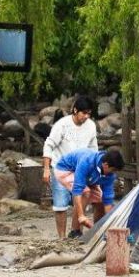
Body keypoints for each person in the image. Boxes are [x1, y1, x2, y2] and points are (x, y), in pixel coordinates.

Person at [42, 97, 98, 239]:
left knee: (83, 195)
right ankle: (61, 237)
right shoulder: (62, 125)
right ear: (75, 110)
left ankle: (75, 230)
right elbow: (49, 144)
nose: (86, 116)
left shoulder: (91, 126)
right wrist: (46, 169)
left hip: (80, 168)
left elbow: (93, 148)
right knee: (60, 204)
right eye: (83, 113)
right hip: (61, 167)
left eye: (88, 113)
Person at [53, 148, 124, 238]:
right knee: (85, 192)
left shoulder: (110, 174)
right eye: (113, 170)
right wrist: (81, 216)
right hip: (66, 170)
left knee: (100, 200)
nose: (114, 173)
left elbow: (108, 198)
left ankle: (98, 230)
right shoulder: (87, 161)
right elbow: (77, 190)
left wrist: (110, 223)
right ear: (106, 165)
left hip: (87, 176)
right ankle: (75, 231)